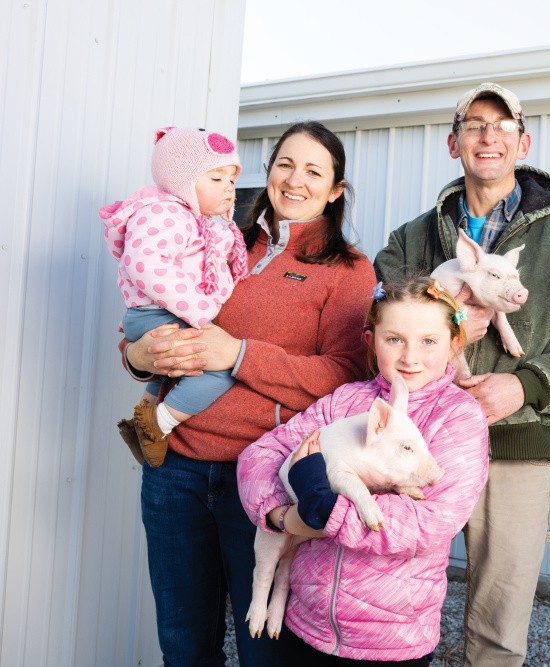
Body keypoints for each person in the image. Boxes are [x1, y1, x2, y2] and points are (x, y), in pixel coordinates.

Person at [374, 82, 550, 666]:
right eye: (474, 125)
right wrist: (452, 328)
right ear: (453, 143)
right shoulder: (411, 239)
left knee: (499, 629)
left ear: (522, 143)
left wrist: (525, 384)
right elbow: (375, 326)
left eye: (503, 125)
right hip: (416, 439)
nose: (489, 136)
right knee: (386, 599)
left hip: (515, 443)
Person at [120, 121, 377, 666]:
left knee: (265, 651)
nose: (295, 180)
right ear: (268, 170)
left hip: (265, 478)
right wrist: (137, 357)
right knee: (184, 644)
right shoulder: (213, 237)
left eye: (314, 171)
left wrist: (238, 355)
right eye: (286, 164)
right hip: (175, 471)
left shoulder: (348, 270)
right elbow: (155, 312)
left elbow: (347, 375)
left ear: (336, 190)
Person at [236, 274, 490, 664]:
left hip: (391, 635)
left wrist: (326, 510)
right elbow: (264, 453)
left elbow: (431, 521)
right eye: (395, 339)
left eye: (428, 341)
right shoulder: (345, 402)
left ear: (454, 343)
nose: (410, 357)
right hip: (307, 620)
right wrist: (279, 514)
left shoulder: (458, 418)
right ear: (371, 340)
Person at [101, 126, 250, 467]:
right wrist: (201, 311)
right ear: (183, 182)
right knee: (219, 369)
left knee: (171, 372)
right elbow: (144, 264)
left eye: (231, 179)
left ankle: (141, 417)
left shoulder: (200, 221)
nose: (228, 187)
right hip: (158, 313)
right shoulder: (164, 214)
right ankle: (156, 426)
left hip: (162, 312)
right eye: (216, 178)